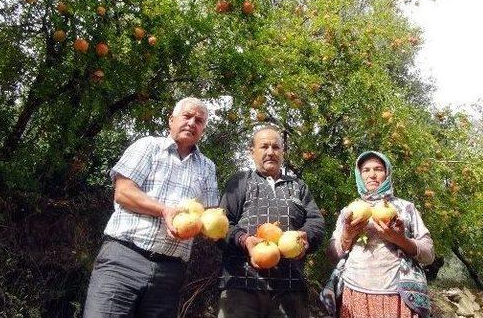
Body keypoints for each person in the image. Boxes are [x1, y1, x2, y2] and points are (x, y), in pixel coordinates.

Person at [83, 97, 219, 318]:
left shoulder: (207, 167)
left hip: (170, 272)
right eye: (187, 116)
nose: (192, 123)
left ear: (203, 128)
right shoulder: (148, 146)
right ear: (171, 120)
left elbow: (210, 216)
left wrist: (211, 228)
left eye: (199, 120)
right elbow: (123, 192)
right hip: (123, 258)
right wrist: (164, 211)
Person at [218, 125, 325, 318]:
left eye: (276, 147)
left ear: (283, 152)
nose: (270, 152)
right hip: (241, 286)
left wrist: (306, 236)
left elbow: (316, 222)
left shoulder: (298, 187)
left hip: (289, 288)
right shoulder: (240, 181)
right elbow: (222, 225)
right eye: (264, 146)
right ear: (252, 152)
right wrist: (244, 240)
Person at [328, 151, 434, 318]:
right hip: (355, 294)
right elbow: (333, 255)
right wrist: (347, 236)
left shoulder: (405, 208)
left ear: (387, 173)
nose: (372, 175)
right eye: (366, 170)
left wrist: (399, 239)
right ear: (359, 175)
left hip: (398, 296)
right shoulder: (349, 211)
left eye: (378, 169)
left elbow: (429, 255)